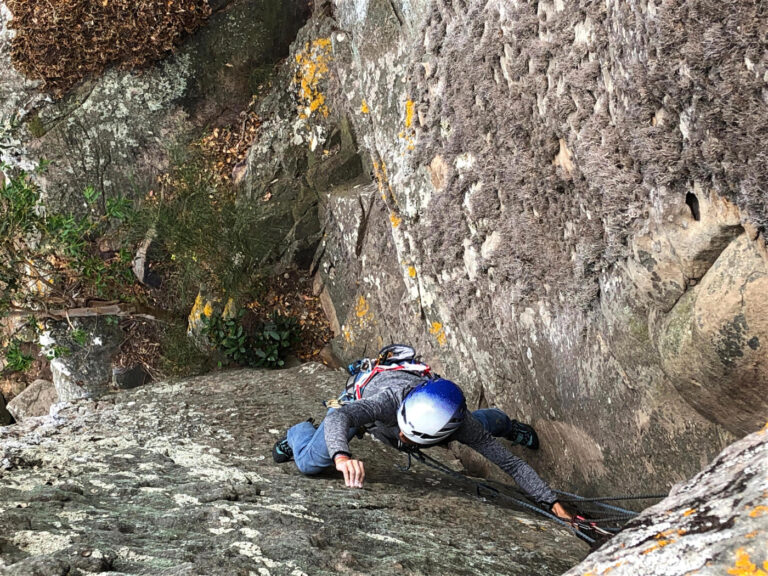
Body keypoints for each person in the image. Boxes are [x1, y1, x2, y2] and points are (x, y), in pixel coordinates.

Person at [273, 358, 571, 521]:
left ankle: (508, 425)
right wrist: (341, 455)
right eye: (404, 430)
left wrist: (551, 501)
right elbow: (341, 417)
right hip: (368, 413)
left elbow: (512, 466)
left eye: (409, 436)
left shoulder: (461, 425)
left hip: (449, 422)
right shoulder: (390, 401)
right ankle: (297, 433)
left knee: (485, 424)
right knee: (309, 463)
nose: (402, 437)